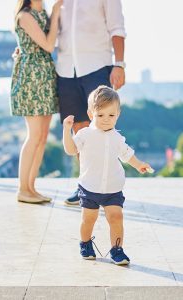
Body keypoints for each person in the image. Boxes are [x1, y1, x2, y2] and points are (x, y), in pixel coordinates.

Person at [63, 85, 153, 265]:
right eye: (100, 115)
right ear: (91, 114)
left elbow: (128, 155)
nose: (106, 120)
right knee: (89, 218)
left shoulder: (117, 138)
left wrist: (139, 165)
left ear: (118, 114)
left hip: (113, 187)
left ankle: (117, 250)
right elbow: (71, 150)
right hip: (90, 187)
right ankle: (85, 243)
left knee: (116, 217)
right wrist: (67, 130)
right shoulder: (85, 134)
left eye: (111, 115)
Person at [56, 0, 127, 205]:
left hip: (96, 65)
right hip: (65, 69)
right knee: (79, 130)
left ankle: (108, 188)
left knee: (102, 127)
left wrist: (120, 64)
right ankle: (86, 187)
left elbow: (117, 27)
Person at [10, 0, 62, 203]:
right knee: (34, 135)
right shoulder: (25, 15)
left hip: (46, 78)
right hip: (31, 79)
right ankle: (22, 189)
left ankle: (31, 188)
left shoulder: (42, 13)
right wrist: (57, 12)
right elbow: (49, 45)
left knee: (42, 137)